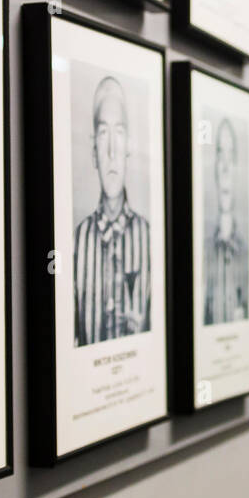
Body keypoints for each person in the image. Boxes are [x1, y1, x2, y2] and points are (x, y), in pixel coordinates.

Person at [73, 76, 152, 346]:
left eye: (119, 133)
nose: (111, 151)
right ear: (94, 150)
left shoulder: (148, 238)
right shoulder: (76, 242)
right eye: (103, 133)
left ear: (129, 145)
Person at [204, 118, 249, 324]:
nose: (225, 168)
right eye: (220, 155)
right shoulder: (203, 251)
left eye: (230, 158)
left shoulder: (247, 252)